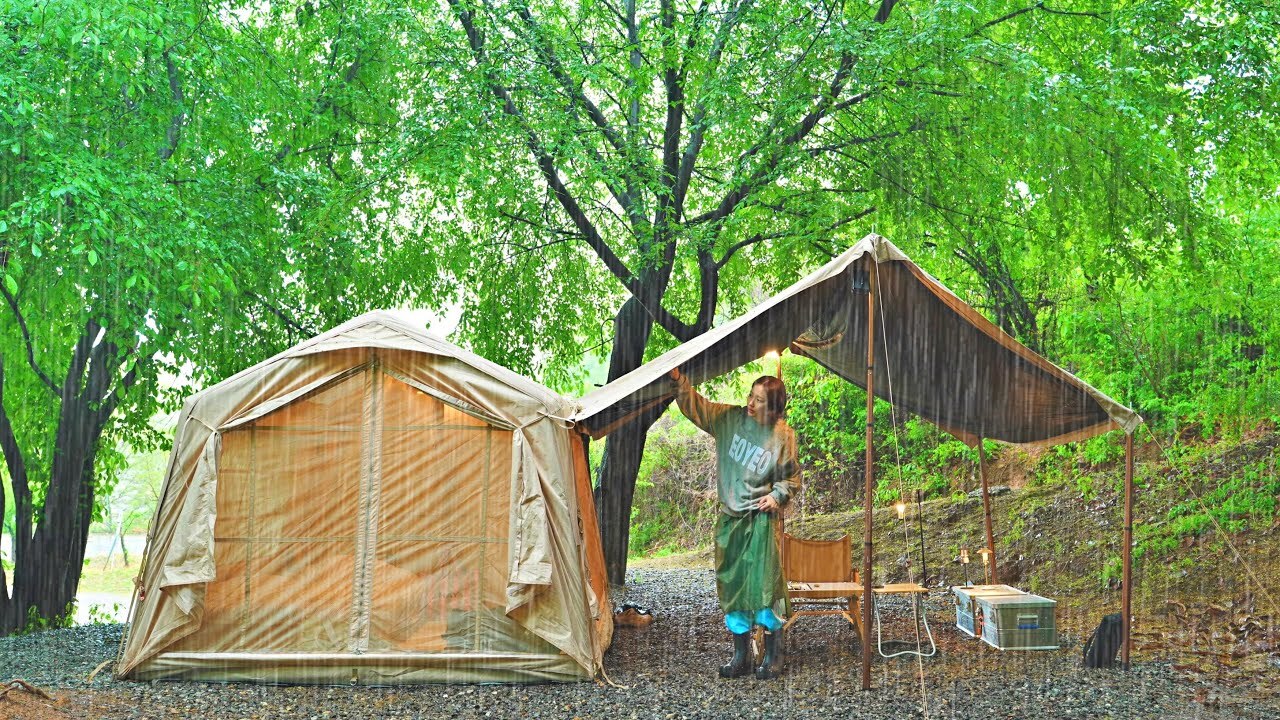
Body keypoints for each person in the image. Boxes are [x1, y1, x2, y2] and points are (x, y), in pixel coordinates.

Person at [669, 368, 800, 680]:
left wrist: (777, 496)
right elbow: (697, 407)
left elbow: (791, 477)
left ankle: (773, 655)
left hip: (761, 521)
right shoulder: (728, 419)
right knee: (732, 585)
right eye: (750, 396)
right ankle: (741, 656)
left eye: (759, 401)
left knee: (764, 586)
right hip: (730, 518)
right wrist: (679, 381)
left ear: (774, 408)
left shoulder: (783, 435)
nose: (750, 404)